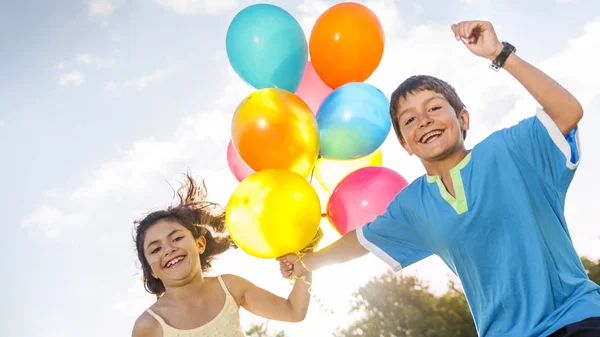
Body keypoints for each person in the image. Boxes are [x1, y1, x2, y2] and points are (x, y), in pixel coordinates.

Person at [279, 20, 600, 337]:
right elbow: (361, 241)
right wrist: (306, 264)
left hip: (574, 319)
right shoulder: (413, 205)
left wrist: (498, 53)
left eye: (434, 107)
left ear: (463, 118)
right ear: (404, 144)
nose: (424, 120)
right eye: (409, 119)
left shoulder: (510, 149)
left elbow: (566, 111)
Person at [132, 173, 320, 337]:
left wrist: (305, 265)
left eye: (176, 238)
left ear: (200, 244)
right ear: (151, 270)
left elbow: (293, 311)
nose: (168, 249)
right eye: (155, 249)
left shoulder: (229, 287)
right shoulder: (149, 325)